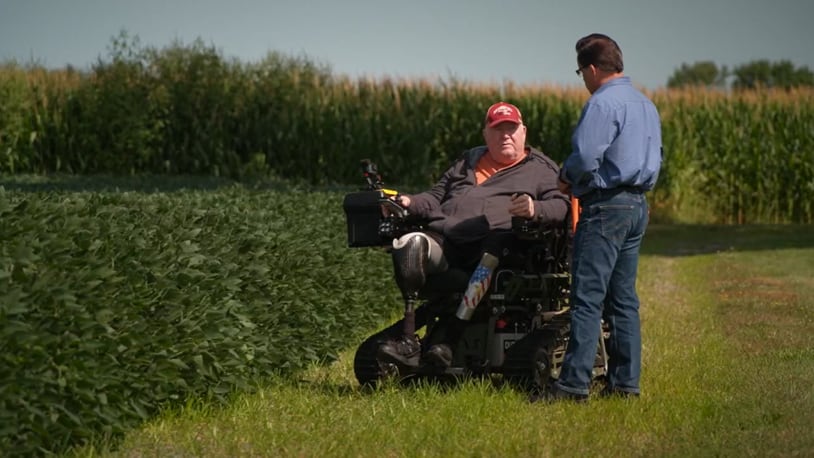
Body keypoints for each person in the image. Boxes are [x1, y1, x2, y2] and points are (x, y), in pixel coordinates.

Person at [378, 101, 569, 370]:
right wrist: (407, 201)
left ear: (523, 131)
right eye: (498, 129)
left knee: (492, 250)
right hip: (448, 238)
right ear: (485, 134)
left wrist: (533, 208)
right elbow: (434, 197)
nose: (506, 135)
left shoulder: (540, 169)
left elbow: (562, 206)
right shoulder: (467, 161)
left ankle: (451, 340)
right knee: (410, 243)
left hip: (496, 246)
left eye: (511, 128)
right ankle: (408, 340)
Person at [540, 33, 662, 402]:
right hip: (637, 205)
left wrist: (565, 177)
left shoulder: (602, 103)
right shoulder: (645, 104)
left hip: (605, 206)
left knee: (587, 298)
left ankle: (573, 385)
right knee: (623, 299)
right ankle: (625, 384)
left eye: (580, 72)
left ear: (592, 68)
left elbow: (586, 155)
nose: (583, 79)